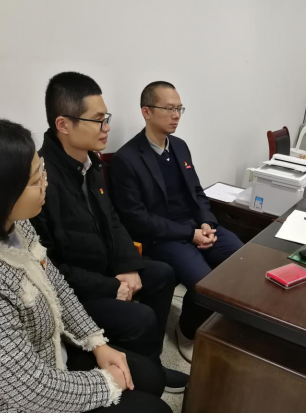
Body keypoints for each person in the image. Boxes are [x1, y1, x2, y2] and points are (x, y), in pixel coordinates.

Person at [0, 115, 172, 413]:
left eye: (41, 169)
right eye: (35, 179)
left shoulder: (13, 224)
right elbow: (31, 390)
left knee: (150, 377)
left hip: (49, 354)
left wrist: (97, 342)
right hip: (11, 402)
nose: (46, 182)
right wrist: (106, 384)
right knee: (154, 407)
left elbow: (55, 285)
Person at [30, 72, 187, 392]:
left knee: (162, 274)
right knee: (140, 318)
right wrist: (111, 286)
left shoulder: (90, 163)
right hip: (73, 292)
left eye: (107, 118)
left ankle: (151, 363)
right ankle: (137, 376)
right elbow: (48, 267)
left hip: (102, 269)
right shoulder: (42, 181)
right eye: (98, 120)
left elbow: (112, 220)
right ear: (63, 124)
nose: (107, 128)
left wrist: (128, 265)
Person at [110, 82, 244, 362]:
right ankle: (187, 329)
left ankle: (221, 319)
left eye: (179, 109)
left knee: (240, 258)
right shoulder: (127, 159)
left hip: (195, 226)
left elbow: (197, 192)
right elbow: (137, 219)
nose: (176, 115)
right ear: (146, 111)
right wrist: (190, 233)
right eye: (169, 109)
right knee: (204, 283)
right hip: (163, 237)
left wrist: (206, 222)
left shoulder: (180, 147)